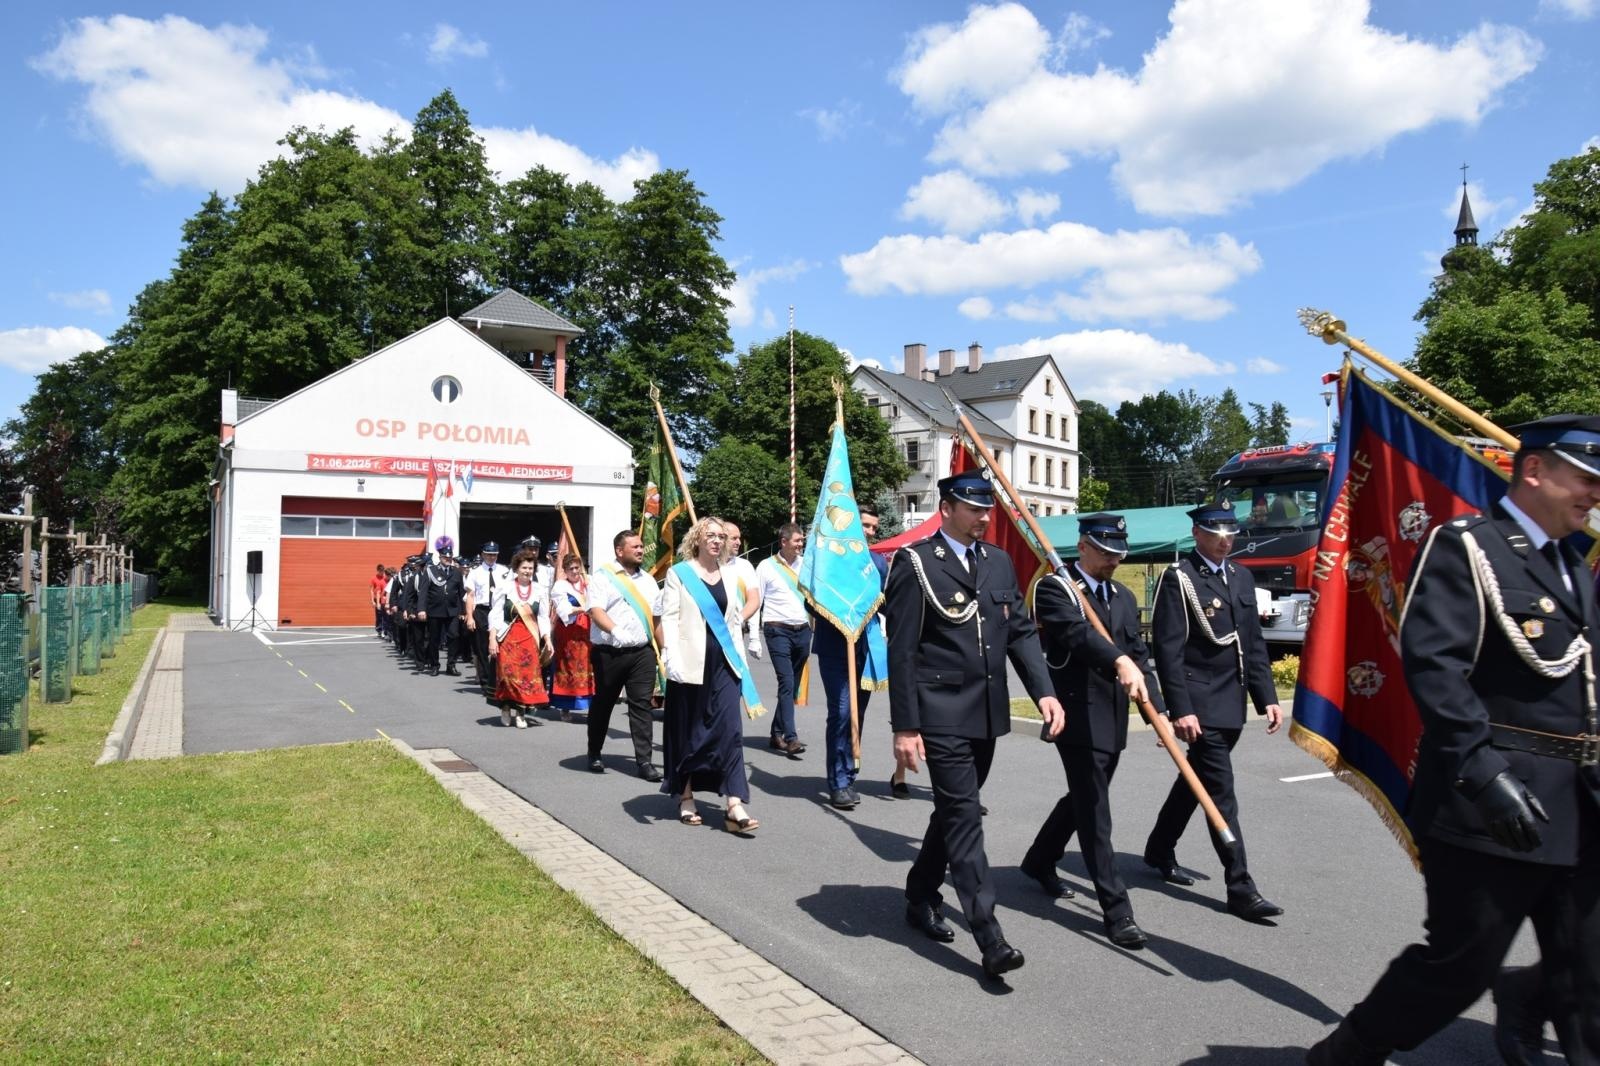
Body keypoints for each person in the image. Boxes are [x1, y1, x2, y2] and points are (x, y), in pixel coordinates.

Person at [1308, 415, 1600, 1065]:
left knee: (1589, 973)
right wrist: (1483, 771)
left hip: (1580, 804)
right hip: (1493, 805)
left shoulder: (1573, 565)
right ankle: (1346, 1053)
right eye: (1584, 478)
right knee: (1460, 966)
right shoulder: (1469, 547)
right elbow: (1436, 667)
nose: (1594, 494)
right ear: (1535, 470)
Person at [886, 472, 1064, 980]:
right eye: (974, 509)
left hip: (985, 713)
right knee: (965, 818)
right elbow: (902, 651)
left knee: (952, 812)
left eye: (988, 509)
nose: (985, 517)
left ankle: (920, 892)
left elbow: (1020, 632)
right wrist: (905, 727)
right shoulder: (916, 563)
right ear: (946, 509)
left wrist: (1044, 691)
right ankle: (990, 937)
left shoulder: (998, 561)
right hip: (939, 712)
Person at [1020, 512, 1162, 949]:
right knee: (1096, 811)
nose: (1113, 560)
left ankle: (1040, 859)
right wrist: (1118, 660)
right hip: (1077, 716)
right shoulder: (1057, 588)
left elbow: (1138, 653)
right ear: (1083, 547)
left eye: (1118, 553)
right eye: (1104, 552)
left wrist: (1158, 710)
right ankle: (1117, 912)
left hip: (1113, 716)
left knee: (1084, 798)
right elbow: (1077, 635)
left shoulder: (1122, 595)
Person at [1143, 501, 1284, 922]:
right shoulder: (1180, 578)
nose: (1225, 541)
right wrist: (1179, 708)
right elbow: (1168, 649)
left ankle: (1159, 848)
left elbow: (1252, 643)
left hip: (1232, 701)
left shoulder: (1241, 576)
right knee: (1221, 794)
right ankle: (1241, 887)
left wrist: (1267, 696)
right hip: (1201, 705)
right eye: (1216, 533)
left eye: (1230, 533)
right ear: (1198, 533)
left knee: (1197, 781)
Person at [659, 516, 761, 833]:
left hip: (725, 663)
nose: (718, 541)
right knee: (690, 732)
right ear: (697, 539)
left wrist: (743, 656)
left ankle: (734, 803)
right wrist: (670, 657)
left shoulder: (730, 575)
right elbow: (670, 618)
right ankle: (686, 796)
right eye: (711, 535)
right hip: (690, 664)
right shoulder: (680, 573)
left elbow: (733, 622)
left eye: (721, 536)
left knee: (730, 730)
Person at [813, 503, 889, 810]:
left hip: (865, 649)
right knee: (842, 712)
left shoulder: (877, 563)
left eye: (873, 527)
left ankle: (848, 771)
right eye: (865, 526)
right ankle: (838, 781)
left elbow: (886, 602)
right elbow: (810, 601)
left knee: (858, 713)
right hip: (835, 647)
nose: (870, 532)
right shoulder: (829, 559)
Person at [586, 531, 663, 780]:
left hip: (642, 652)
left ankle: (644, 762)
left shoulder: (648, 581)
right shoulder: (603, 577)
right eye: (635, 547)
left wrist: (665, 649)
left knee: (641, 706)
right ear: (620, 551)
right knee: (604, 703)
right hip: (609, 652)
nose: (641, 550)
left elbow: (656, 619)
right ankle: (594, 751)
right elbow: (595, 611)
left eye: (641, 546)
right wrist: (615, 630)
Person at [756, 523, 811, 757]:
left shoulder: (806, 565)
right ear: (784, 542)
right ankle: (791, 737)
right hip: (777, 630)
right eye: (797, 540)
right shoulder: (766, 567)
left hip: (803, 630)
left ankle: (775, 733)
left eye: (802, 541)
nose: (801, 544)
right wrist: (753, 637)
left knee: (792, 685)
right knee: (786, 682)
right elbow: (756, 601)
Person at [488, 547, 552, 728]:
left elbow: (543, 617)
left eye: (530, 568)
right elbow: (495, 614)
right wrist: (492, 638)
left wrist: (547, 638)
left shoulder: (539, 590)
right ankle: (506, 708)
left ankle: (521, 713)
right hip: (508, 638)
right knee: (507, 676)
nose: (527, 571)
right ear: (516, 568)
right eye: (524, 567)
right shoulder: (505, 588)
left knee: (526, 677)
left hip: (529, 640)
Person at [549, 553, 595, 723]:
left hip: (588, 630)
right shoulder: (560, 586)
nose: (575, 571)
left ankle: (591, 706)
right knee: (568, 667)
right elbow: (564, 609)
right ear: (565, 570)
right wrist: (584, 607)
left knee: (590, 667)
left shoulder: (589, 581)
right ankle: (565, 707)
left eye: (577, 568)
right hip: (569, 632)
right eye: (571, 569)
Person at [464, 541, 510, 698]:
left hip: (500, 611)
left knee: (501, 646)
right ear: (483, 554)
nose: (491, 557)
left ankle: (500, 680)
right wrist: (470, 617)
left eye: (494, 555)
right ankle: (485, 683)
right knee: (483, 648)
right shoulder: (475, 572)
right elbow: (470, 596)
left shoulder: (504, 571)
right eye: (489, 554)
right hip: (482, 611)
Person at [421, 537, 467, 677]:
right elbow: (423, 592)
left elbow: (461, 593)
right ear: (440, 557)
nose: (448, 559)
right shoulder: (431, 571)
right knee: (434, 639)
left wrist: (463, 610)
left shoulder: (457, 572)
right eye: (445, 557)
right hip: (434, 610)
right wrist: (421, 609)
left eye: (449, 557)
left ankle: (451, 665)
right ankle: (434, 665)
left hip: (452, 611)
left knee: (454, 636)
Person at [722, 521, 763, 661]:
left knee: (738, 669)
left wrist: (754, 637)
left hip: (736, 630)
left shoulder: (744, 566)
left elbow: (754, 601)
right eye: (734, 538)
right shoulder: (706, 566)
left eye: (739, 538)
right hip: (709, 630)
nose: (739, 542)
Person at [370, 562, 389, 639]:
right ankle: (379, 630)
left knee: (385, 615)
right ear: (377, 571)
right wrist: (372, 601)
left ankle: (385, 630)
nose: (382, 573)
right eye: (380, 571)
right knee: (378, 615)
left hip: (384, 598)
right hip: (377, 599)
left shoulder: (385, 578)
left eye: (383, 571)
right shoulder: (373, 579)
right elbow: (371, 590)